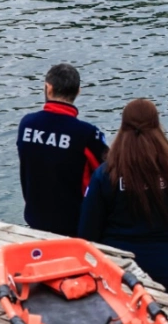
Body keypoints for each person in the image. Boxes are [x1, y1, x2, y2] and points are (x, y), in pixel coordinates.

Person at [78, 99, 168, 305]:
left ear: (123, 127)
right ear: (157, 125)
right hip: (167, 264)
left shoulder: (106, 174)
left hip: (119, 267)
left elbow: (88, 228)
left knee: (121, 322)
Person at [17, 63, 108, 236]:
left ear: (48, 88)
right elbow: (109, 172)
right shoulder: (87, 134)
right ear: (78, 92)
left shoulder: (27, 124)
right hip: (75, 227)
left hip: (35, 221)